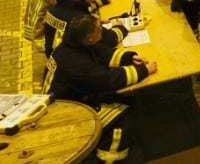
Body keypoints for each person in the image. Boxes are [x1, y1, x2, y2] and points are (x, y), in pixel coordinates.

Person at [44, 13, 157, 163]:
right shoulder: (76, 63)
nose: (102, 30)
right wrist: (144, 70)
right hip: (66, 108)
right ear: (89, 36)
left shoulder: (73, 44)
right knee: (121, 119)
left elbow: (101, 53)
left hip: (66, 95)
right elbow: (107, 80)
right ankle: (108, 158)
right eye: (99, 29)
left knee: (123, 98)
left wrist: (129, 58)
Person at [43, 0, 117, 57]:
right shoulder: (77, 19)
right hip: (73, 60)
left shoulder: (55, 8)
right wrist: (119, 27)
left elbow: (80, 8)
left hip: (56, 56)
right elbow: (110, 39)